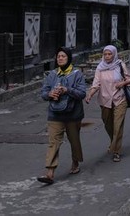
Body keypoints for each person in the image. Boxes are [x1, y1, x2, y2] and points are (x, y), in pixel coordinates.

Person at [37, 47, 87, 184]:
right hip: (55, 113)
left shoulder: (77, 74)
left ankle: (75, 162)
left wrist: (67, 90)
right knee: (54, 142)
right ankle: (50, 172)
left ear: (69, 58)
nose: (60, 58)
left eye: (63, 56)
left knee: (74, 140)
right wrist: (49, 94)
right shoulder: (52, 74)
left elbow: (82, 93)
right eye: (58, 56)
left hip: (73, 114)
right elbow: (43, 93)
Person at [85, 45, 130, 163]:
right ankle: (113, 141)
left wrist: (122, 84)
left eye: (109, 54)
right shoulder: (100, 68)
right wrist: (90, 94)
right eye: (105, 54)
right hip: (105, 100)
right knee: (108, 124)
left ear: (114, 54)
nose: (107, 56)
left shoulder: (120, 65)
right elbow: (96, 84)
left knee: (118, 125)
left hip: (120, 99)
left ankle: (116, 151)